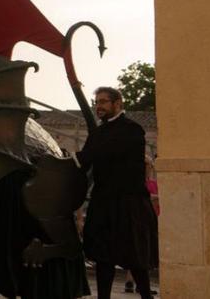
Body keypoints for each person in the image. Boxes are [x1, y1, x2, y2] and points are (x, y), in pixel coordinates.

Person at [73, 87, 158, 299]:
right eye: (97, 102)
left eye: (103, 102)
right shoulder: (98, 133)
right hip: (104, 202)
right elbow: (84, 164)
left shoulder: (133, 130)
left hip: (130, 203)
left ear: (117, 103)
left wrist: (81, 157)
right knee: (104, 258)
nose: (98, 106)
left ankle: (146, 296)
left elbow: (103, 152)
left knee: (135, 258)